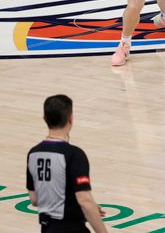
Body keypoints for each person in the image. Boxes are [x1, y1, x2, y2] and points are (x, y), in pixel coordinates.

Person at [26, 94, 108, 233]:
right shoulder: (74, 155)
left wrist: (76, 206)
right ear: (70, 118)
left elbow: (34, 199)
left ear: (45, 119)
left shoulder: (33, 153)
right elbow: (85, 201)